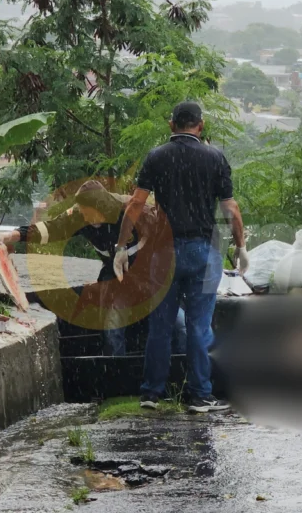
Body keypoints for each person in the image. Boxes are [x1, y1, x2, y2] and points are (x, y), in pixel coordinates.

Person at [115, 101, 248, 413]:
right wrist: (241, 247)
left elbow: (135, 204)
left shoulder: (157, 156)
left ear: (171, 124)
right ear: (200, 126)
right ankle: (200, 395)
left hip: (163, 253)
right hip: (202, 252)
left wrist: (121, 247)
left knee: (160, 325)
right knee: (199, 326)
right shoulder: (215, 157)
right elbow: (231, 208)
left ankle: (151, 393)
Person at [0, 180, 188, 356]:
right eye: (83, 211)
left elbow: (168, 238)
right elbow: (50, 229)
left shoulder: (135, 211)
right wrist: (12, 236)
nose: (87, 217)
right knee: (113, 328)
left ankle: (181, 376)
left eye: (91, 211)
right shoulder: (79, 216)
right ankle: (117, 377)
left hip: (150, 280)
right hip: (117, 281)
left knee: (179, 325)